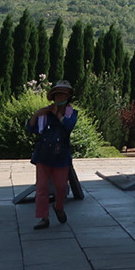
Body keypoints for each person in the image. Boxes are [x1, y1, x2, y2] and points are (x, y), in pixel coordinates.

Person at [26, 79, 78, 230]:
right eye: (57, 94)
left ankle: (59, 207)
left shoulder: (71, 113)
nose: (60, 97)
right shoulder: (45, 113)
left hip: (61, 155)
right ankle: (43, 217)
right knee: (41, 187)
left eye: (63, 94)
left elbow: (69, 127)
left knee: (61, 186)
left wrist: (58, 114)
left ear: (68, 97)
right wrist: (36, 114)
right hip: (43, 154)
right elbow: (31, 129)